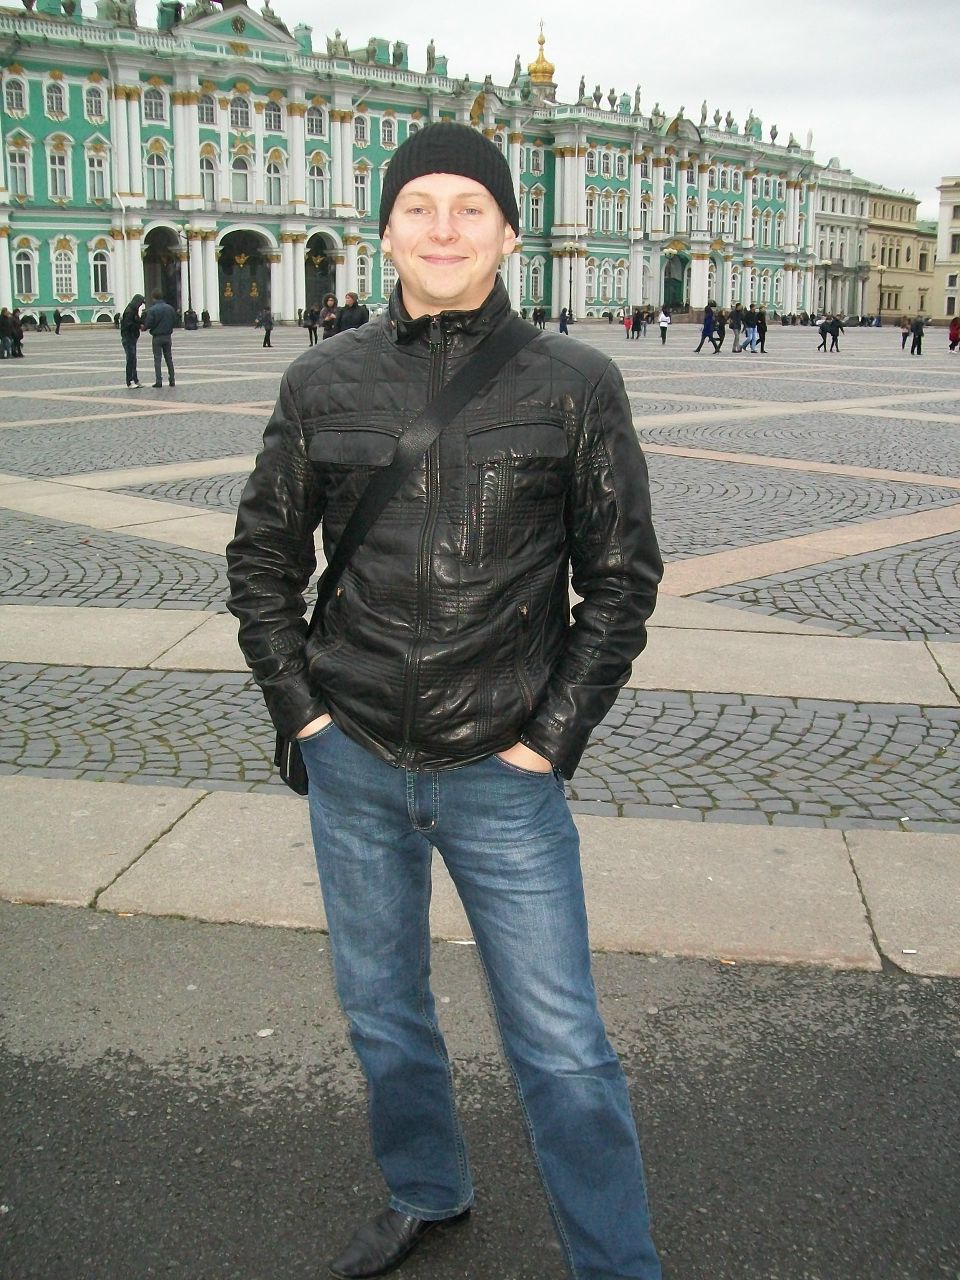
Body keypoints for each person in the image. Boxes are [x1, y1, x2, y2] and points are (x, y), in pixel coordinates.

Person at [226, 120, 663, 1280]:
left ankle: (617, 1264)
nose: (443, 228)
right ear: (385, 232)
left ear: (510, 231)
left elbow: (621, 579)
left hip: (503, 771)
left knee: (562, 1042)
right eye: (418, 206)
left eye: (470, 207)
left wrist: (547, 740)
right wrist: (304, 717)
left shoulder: (576, 381)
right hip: (354, 756)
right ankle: (425, 1184)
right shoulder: (322, 378)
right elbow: (262, 561)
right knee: (381, 1009)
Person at [141, 289, 176, 387]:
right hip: (168, 336)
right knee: (169, 358)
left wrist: (144, 328)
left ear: (153, 298)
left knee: (157, 359)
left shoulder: (152, 310)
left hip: (157, 337)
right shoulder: (170, 308)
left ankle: (159, 380)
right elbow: (174, 320)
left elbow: (149, 323)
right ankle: (172, 379)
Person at [119, 292, 145, 387]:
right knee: (131, 359)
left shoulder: (133, 310)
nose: (141, 305)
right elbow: (129, 324)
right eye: (140, 303)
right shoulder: (129, 311)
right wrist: (139, 326)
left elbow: (135, 321)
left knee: (133, 359)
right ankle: (129, 381)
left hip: (132, 337)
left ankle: (135, 380)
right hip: (128, 338)